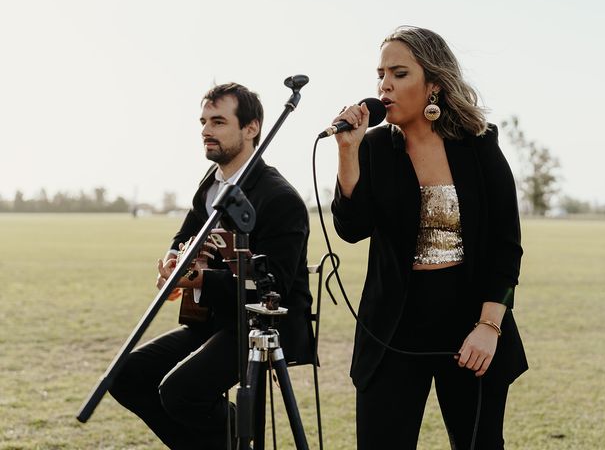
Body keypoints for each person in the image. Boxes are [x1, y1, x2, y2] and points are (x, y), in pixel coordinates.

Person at [330, 26, 528, 449]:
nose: (384, 85)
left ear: (434, 83)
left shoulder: (478, 143)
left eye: (399, 73)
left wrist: (489, 327)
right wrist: (348, 151)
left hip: (470, 324)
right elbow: (351, 228)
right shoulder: (374, 148)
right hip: (393, 328)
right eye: (380, 73)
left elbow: (506, 245)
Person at [109, 82, 314, 449]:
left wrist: (199, 277)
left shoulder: (279, 198)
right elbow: (183, 237)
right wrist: (174, 263)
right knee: (126, 374)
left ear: (251, 128)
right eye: (203, 121)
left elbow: (275, 287)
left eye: (218, 121)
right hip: (217, 320)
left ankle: (237, 439)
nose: (206, 130)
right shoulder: (211, 184)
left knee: (181, 392)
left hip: (265, 325)